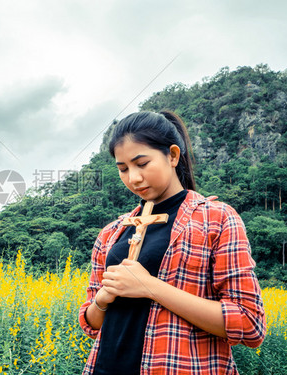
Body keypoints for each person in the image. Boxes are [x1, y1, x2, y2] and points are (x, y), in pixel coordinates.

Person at [78, 111, 266, 375]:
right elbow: (89, 323)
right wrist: (101, 300)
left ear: (173, 156)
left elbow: (249, 324)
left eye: (141, 163)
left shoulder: (216, 219)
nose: (133, 178)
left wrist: (149, 286)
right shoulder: (111, 232)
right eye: (123, 169)